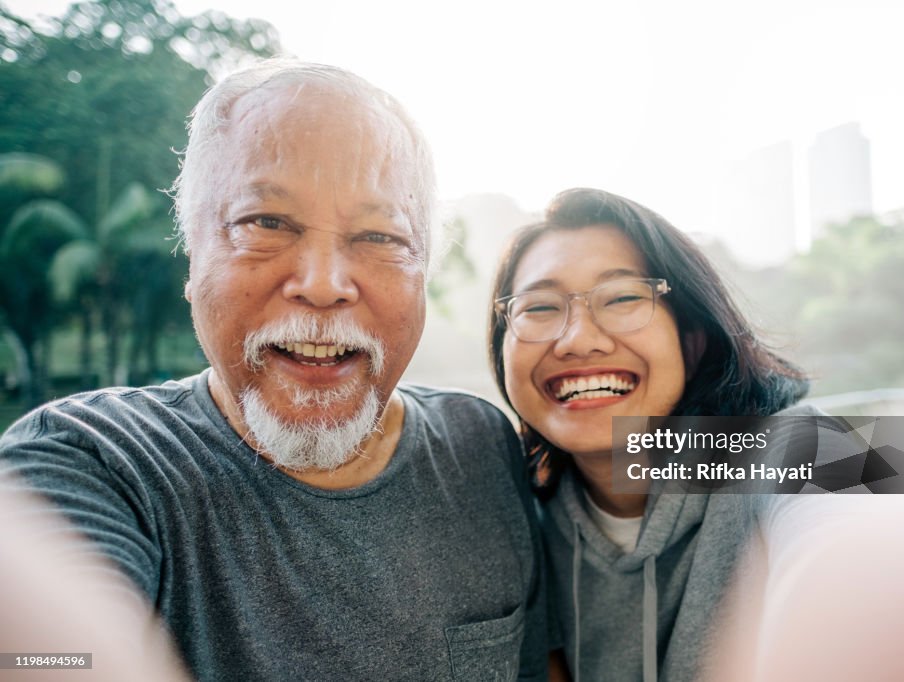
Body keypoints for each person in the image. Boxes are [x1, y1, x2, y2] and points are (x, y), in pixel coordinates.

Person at [0, 60, 546, 681]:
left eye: (379, 236)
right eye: (265, 223)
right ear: (193, 256)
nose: (322, 285)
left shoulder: (482, 445)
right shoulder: (90, 462)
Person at [488, 188, 816, 681]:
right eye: (539, 308)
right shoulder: (512, 518)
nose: (578, 340)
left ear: (693, 335)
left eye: (621, 298)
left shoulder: (795, 444)